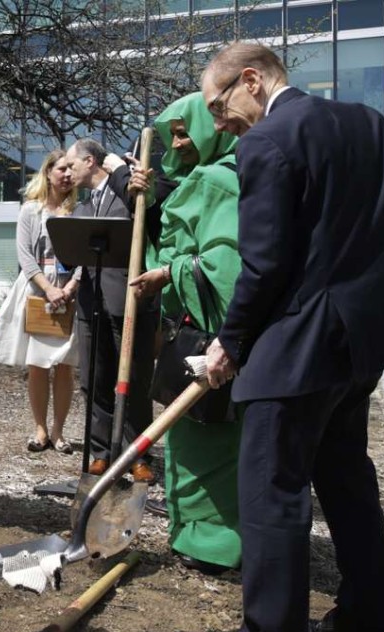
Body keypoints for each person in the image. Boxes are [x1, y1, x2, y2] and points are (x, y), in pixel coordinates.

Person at [180, 42, 384, 632]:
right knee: (346, 477)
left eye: (219, 105)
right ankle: (372, 620)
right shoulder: (372, 127)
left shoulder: (267, 143)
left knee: (272, 487)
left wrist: (230, 341)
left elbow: (265, 262)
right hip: (361, 343)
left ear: (252, 80)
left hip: (298, 346)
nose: (219, 122)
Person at [128, 93, 242, 576]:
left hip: (213, 339)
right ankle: (194, 533)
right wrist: (151, 202)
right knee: (193, 441)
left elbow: (225, 267)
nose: (177, 141)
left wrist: (167, 275)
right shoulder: (212, 177)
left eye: (184, 130)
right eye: (172, 132)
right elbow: (180, 236)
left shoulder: (220, 181)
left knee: (209, 444)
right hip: (201, 334)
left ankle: (214, 545)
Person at [63, 139, 158, 483]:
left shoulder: (128, 195)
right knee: (94, 379)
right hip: (92, 304)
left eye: (72, 165)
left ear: (90, 161)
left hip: (129, 301)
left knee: (133, 378)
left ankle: (137, 455)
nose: (67, 172)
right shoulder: (84, 207)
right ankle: (102, 452)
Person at [0, 150, 79, 455]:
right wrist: (48, 288)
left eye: (71, 168)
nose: (67, 174)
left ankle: (59, 431)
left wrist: (71, 286)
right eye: (61, 169)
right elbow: (25, 256)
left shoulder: (79, 209)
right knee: (38, 364)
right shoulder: (30, 210)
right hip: (37, 290)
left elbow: (87, 254)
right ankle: (40, 429)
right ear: (48, 172)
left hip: (70, 292)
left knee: (65, 365)